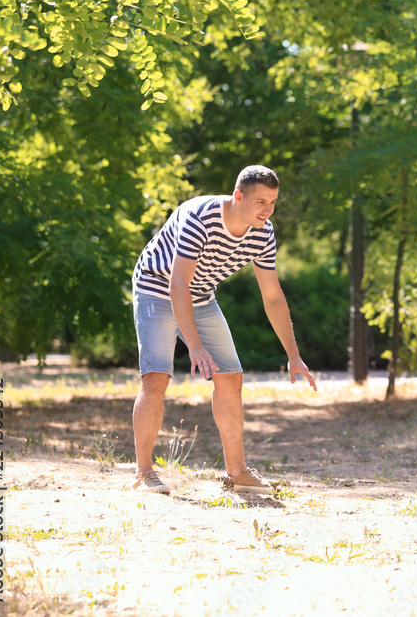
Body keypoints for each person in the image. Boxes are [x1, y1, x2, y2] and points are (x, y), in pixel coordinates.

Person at [130, 165, 317, 495]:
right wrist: (195, 346)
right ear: (238, 196)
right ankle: (143, 473)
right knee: (157, 375)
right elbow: (177, 286)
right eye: (260, 201)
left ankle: (237, 473)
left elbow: (273, 296)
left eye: (272, 202)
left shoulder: (263, 233)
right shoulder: (200, 218)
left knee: (230, 377)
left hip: (200, 294)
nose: (267, 210)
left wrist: (293, 354)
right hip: (157, 286)